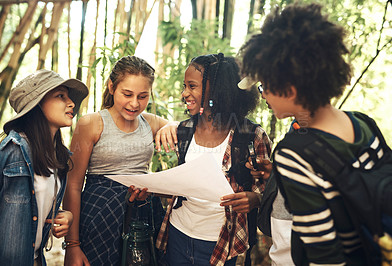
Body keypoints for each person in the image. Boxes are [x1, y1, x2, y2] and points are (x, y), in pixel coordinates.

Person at [239, 2, 376, 265]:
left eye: (264, 86)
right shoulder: (362, 124)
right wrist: (277, 177)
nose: (262, 94)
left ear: (290, 89)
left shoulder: (296, 151)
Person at [154, 53, 272, 265]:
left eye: (192, 86)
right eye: (184, 86)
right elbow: (181, 184)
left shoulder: (252, 136)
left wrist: (255, 199)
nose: (184, 93)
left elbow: (269, 190)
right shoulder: (183, 131)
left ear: (216, 90)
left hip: (223, 243)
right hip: (178, 235)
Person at [63, 55, 171, 266]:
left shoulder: (150, 122)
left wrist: (169, 127)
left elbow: (181, 128)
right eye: (127, 94)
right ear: (112, 87)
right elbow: (73, 185)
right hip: (101, 215)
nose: (134, 103)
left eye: (143, 96)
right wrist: (72, 245)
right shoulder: (91, 123)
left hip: (143, 214)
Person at [0, 69, 88, 266]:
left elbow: (35, 206)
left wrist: (63, 215)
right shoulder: (10, 152)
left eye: (69, 97)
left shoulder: (58, 158)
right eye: (61, 96)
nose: (71, 103)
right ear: (37, 105)